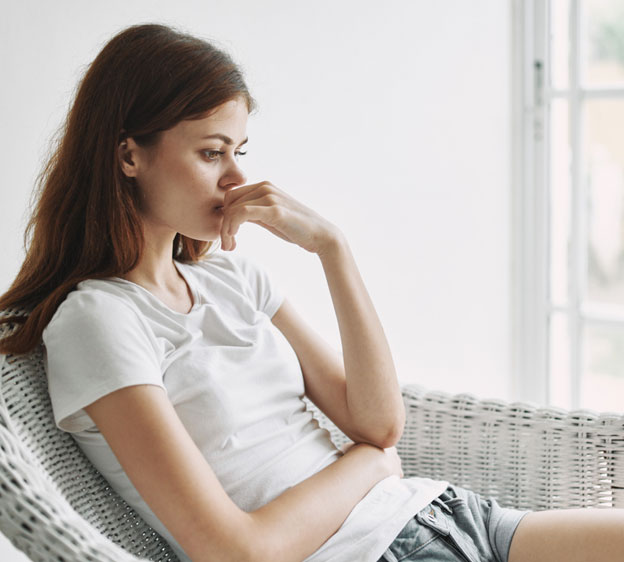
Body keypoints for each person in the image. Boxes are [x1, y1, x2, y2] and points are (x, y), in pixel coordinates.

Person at [1, 22, 623, 562]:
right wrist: (368, 466)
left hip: (455, 517)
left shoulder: (231, 277)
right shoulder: (98, 320)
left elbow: (378, 420)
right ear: (128, 156)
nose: (238, 176)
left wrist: (332, 248)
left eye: (240, 150)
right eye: (212, 152)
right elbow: (233, 551)